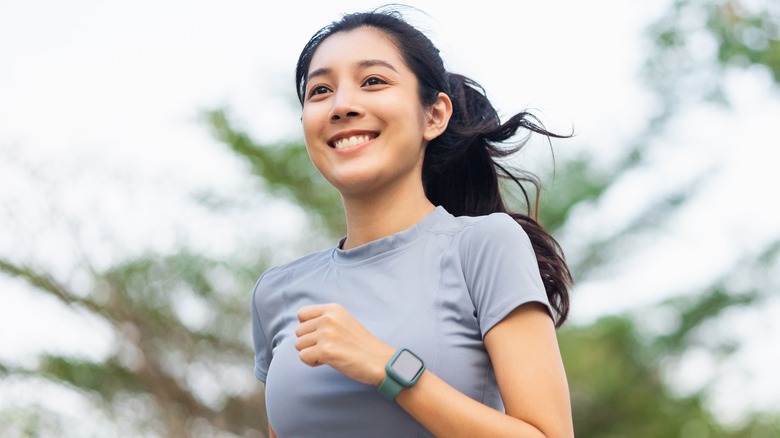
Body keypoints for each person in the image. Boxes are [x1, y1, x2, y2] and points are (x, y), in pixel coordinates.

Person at [251, 8, 574, 437]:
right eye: (321, 90)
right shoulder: (277, 291)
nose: (342, 105)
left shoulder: (485, 246)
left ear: (434, 115)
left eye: (373, 81)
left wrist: (388, 367)